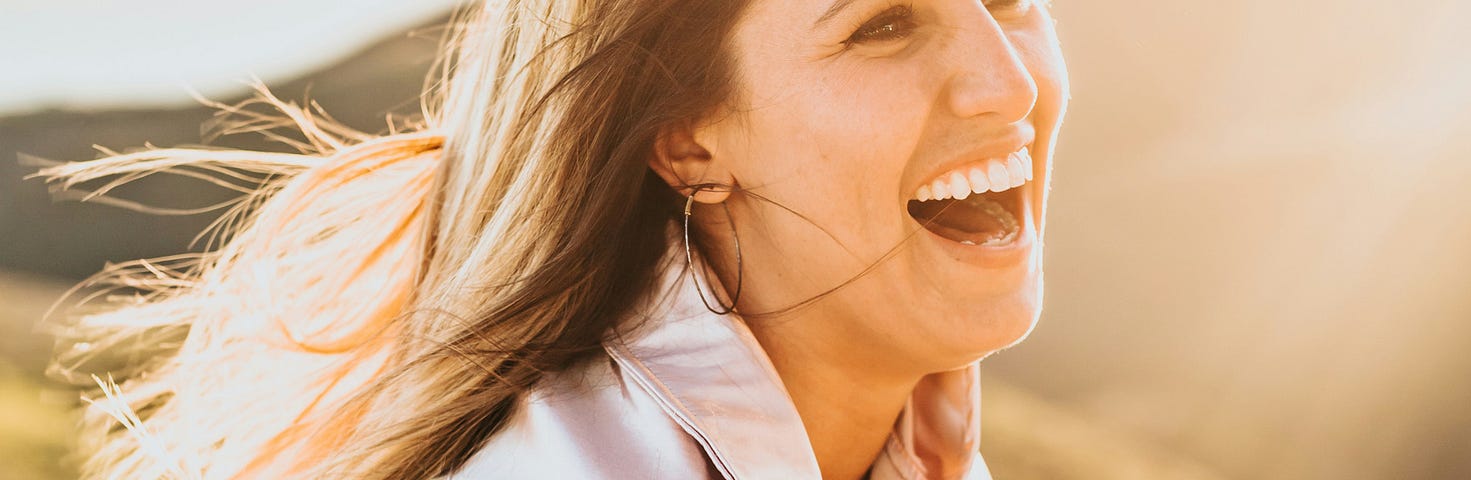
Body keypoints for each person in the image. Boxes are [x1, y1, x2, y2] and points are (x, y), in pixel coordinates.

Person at [34, 0, 1068, 478]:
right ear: (687, 143)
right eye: (881, 25)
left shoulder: (905, 449)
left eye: (1012, 0)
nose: (1010, 81)